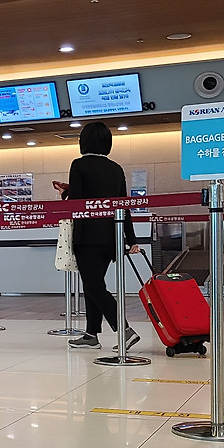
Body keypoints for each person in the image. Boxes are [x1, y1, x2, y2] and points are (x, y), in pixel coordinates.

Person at [65, 122, 140, 351]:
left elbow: (76, 202)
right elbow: (123, 207)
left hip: (87, 237)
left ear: (85, 141)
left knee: (94, 286)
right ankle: (91, 334)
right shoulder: (116, 169)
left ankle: (124, 330)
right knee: (94, 284)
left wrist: (65, 193)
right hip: (111, 238)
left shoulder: (78, 165)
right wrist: (131, 239)